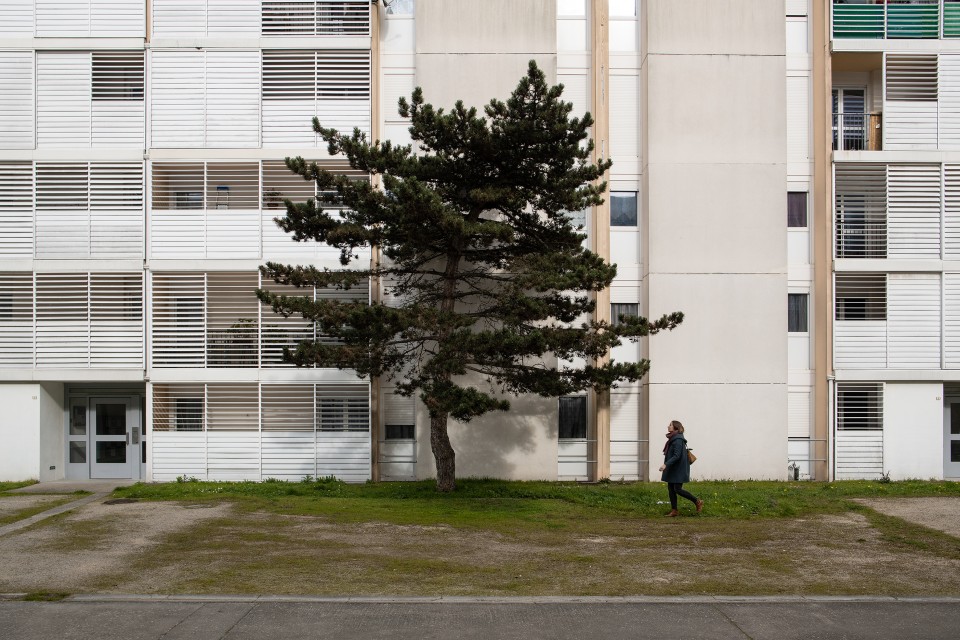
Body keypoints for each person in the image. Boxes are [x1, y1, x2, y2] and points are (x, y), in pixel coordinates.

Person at [658, 420, 703, 517]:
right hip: (674, 468)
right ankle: (674, 510)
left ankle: (697, 501)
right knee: (671, 488)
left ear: (675, 428)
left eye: (670, 425)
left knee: (677, 489)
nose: (668, 426)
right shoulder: (673, 438)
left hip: (679, 468)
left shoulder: (678, 440)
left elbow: (677, 456)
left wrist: (665, 464)